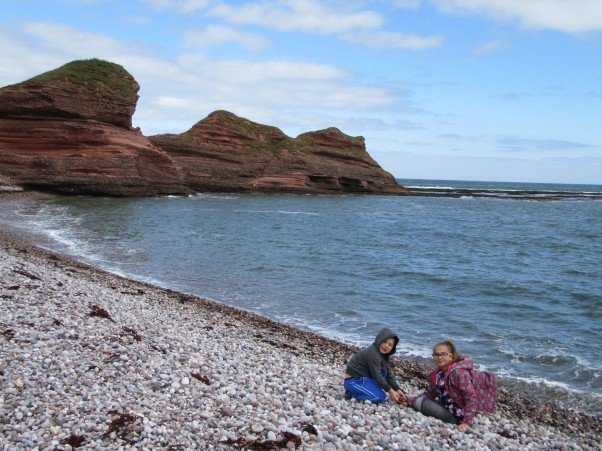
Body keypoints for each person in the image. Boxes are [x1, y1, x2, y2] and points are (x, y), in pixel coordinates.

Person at [407, 340, 497, 430]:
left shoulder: (458, 373)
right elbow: (430, 394)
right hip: (447, 406)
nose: (439, 357)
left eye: (443, 354)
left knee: (420, 402)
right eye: (436, 355)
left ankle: (455, 420)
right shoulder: (438, 374)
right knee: (420, 400)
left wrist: (466, 422)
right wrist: (409, 400)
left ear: (451, 357)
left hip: (458, 415)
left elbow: (471, 398)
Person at [344, 328, 406, 404]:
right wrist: (390, 391)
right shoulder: (373, 353)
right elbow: (377, 375)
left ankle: (363, 390)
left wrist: (396, 389)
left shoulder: (384, 355)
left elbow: (388, 373)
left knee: (385, 372)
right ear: (379, 340)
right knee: (379, 397)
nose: (386, 346)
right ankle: (351, 394)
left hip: (364, 377)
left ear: (393, 347)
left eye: (390, 345)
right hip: (353, 380)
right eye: (384, 342)